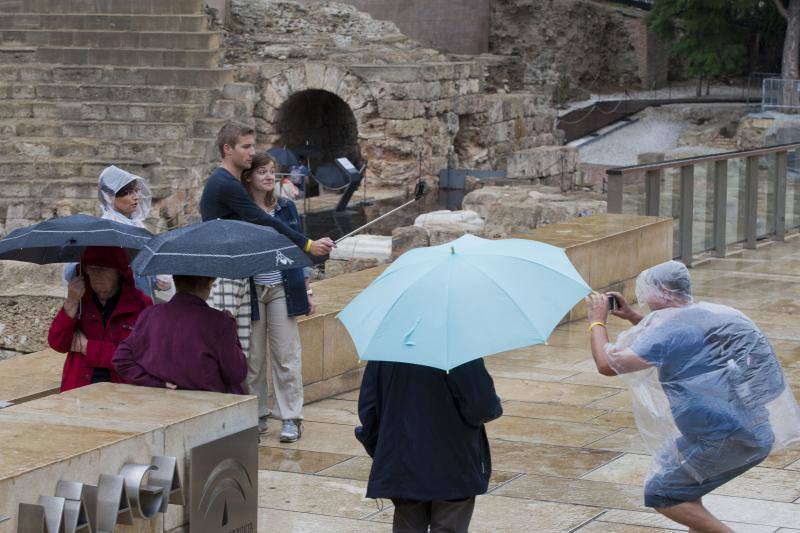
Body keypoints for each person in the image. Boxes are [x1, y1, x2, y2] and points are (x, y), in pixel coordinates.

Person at [585, 261, 800, 533]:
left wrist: (596, 321)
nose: (643, 298)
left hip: (726, 437)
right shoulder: (708, 313)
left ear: (664, 292)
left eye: (646, 291)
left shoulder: (673, 330)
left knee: (663, 493)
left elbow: (607, 365)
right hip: (745, 429)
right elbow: (674, 340)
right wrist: (632, 315)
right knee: (680, 484)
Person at [356, 359, 503, 532]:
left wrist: (385, 452)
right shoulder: (458, 351)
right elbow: (483, 407)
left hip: (403, 463)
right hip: (454, 464)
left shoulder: (385, 351)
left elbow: (369, 412)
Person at [239, 152, 313, 442]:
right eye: (262, 172)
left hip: (283, 287)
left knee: (286, 355)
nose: (269, 176)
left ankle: (291, 417)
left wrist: (307, 289)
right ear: (249, 177)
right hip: (252, 290)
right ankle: (256, 414)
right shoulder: (242, 210)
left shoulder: (285, 207)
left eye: (272, 171)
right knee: (253, 358)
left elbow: (299, 248)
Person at [198, 121, 333, 256]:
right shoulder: (226, 183)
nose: (252, 152)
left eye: (253, 146)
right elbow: (261, 219)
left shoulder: (223, 178)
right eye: (246, 147)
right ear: (227, 149)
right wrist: (308, 244)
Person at [113, 275, 247, 394]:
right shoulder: (219, 322)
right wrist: (231, 328)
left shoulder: (149, 314)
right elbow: (236, 373)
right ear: (209, 283)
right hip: (209, 408)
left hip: (159, 407)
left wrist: (156, 383)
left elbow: (121, 359)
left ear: (175, 280)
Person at [48, 246, 152, 392]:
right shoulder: (81, 300)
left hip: (122, 391)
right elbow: (58, 343)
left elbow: (135, 358)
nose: (96, 275)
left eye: (103, 269)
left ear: (118, 271)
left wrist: (87, 347)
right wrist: (71, 301)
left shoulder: (140, 305)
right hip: (78, 389)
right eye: (91, 269)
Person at [65, 165, 172, 300]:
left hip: (141, 298)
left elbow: (147, 265)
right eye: (128, 192)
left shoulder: (137, 225)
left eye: (136, 191)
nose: (136, 197)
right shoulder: (103, 230)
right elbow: (72, 271)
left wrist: (160, 279)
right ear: (110, 196)